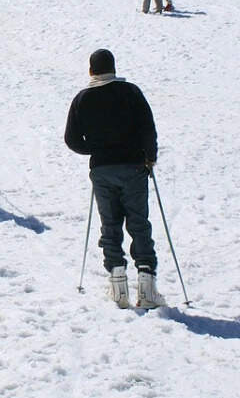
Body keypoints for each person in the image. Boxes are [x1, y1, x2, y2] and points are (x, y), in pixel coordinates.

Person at [64, 49, 165, 310]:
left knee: (110, 223)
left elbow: (72, 140)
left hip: (102, 169)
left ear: (91, 70)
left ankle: (118, 284)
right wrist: (150, 157)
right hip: (134, 165)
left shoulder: (82, 98)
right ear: (114, 68)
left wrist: (95, 149)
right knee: (138, 222)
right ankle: (147, 286)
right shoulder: (131, 92)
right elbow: (147, 127)